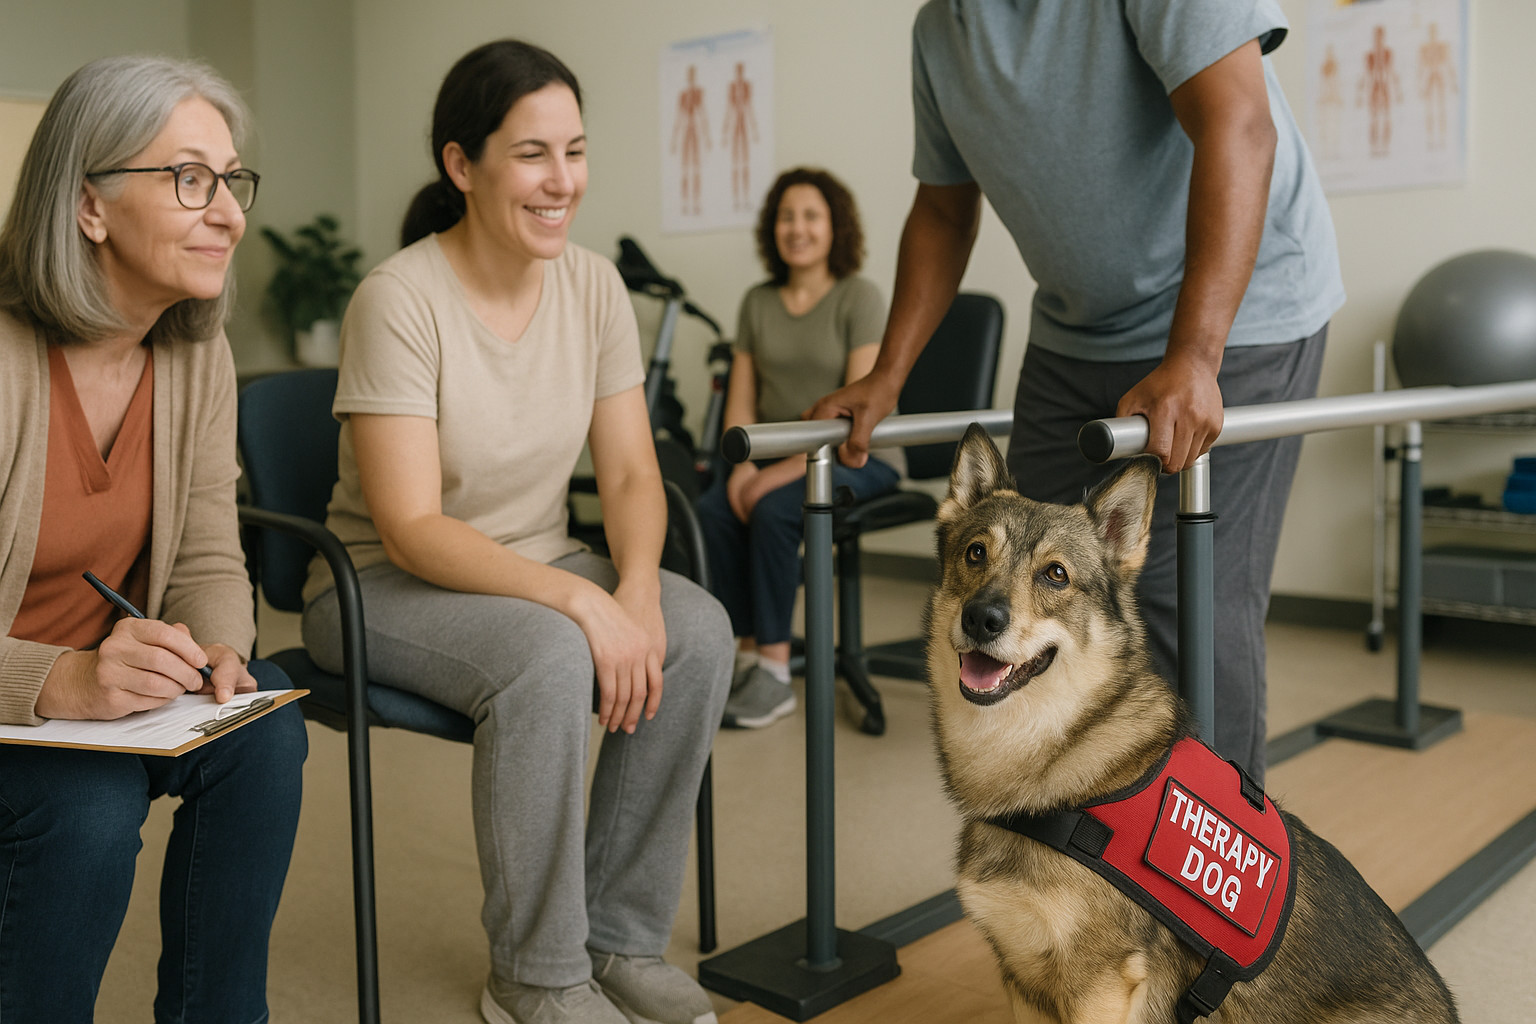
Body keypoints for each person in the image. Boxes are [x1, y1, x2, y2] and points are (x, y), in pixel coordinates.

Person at [299, 39, 731, 1024]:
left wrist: (630, 587)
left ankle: (615, 940)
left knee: (696, 627)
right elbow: (409, 528)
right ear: (462, 164)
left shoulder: (593, 288)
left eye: (575, 151)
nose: (562, 180)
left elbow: (627, 471)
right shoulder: (398, 299)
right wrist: (585, 600)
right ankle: (535, 977)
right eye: (533, 154)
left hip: (532, 560)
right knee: (549, 656)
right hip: (376, 584)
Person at [808, 0, 1345, 784]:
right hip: (1076, 334)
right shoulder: (939, 31)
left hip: (1242, 314)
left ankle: (1215, 876)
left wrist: (1195, 357)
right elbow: (943, 207)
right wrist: (886, 378)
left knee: (1180, 608)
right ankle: (1075, 857)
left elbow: (1240, 125)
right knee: (1024, 589)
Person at [0, 56, 307, 1022]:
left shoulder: (192, 349)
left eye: (231, 180)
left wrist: (220, 650)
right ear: (89, 206)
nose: (228, 213)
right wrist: (55, 680)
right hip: (21, 697)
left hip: (104, 686)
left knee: (264, 739)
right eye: (189, 179)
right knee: (85, 811)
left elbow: (212, 549)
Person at [697, 167, 899, 729]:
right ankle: (743, 652)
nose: (798, 228)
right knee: (714, 508)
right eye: (787, 216)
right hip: (774, 455)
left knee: (774, 510)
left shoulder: (859, 297)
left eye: (811, 215)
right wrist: (740, 468)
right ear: (772, 228)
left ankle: (774, 673)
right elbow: (740, 402)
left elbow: (856, 413)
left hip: (860, 457)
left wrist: (770, 478)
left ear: (835, 227)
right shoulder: (756, 303)